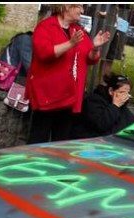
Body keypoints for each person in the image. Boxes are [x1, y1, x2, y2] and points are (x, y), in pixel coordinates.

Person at [26, 4, 110, 144]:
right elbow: (44, 53)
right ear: (66, 6)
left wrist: (95, 48)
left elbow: (90, 59)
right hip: (47, 97)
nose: (82, 11)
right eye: (79, 6)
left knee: (61, 143)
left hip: (70, 98)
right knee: (38, 141)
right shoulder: (46, 27)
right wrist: (70, 44)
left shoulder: (77, 30)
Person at [70, 74, 134, 139]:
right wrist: (115, 105)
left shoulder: (123, 108)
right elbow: (101, 124)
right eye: (122, 92)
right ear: (111, 91)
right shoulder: (94, 101)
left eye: (127, 93)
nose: (125, 96)